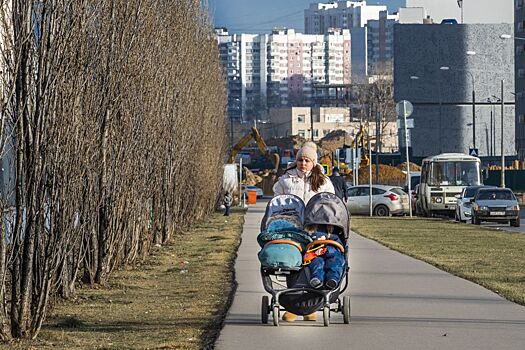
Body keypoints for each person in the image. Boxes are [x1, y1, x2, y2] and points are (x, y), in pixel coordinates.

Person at [272, 141, 335, 322]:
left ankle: (310, 307)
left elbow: (330, 203)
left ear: (313, 162)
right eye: (300, 160)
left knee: (313, 261)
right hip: (293, 227)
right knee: (293, 263)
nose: (303, 164)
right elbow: (277, 202)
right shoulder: (286, 179)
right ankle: (294, 304)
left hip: (315, 227)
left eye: (307, 160)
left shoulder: (323, 181)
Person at [304, 224, 345, 290]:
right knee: (317, 264)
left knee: (335, 263)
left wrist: (327, 242)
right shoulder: (309, 231)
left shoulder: (335, 232)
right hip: (316, 254)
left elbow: (339, 246)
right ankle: (317, 279)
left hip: (332, 253)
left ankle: (332, 279)